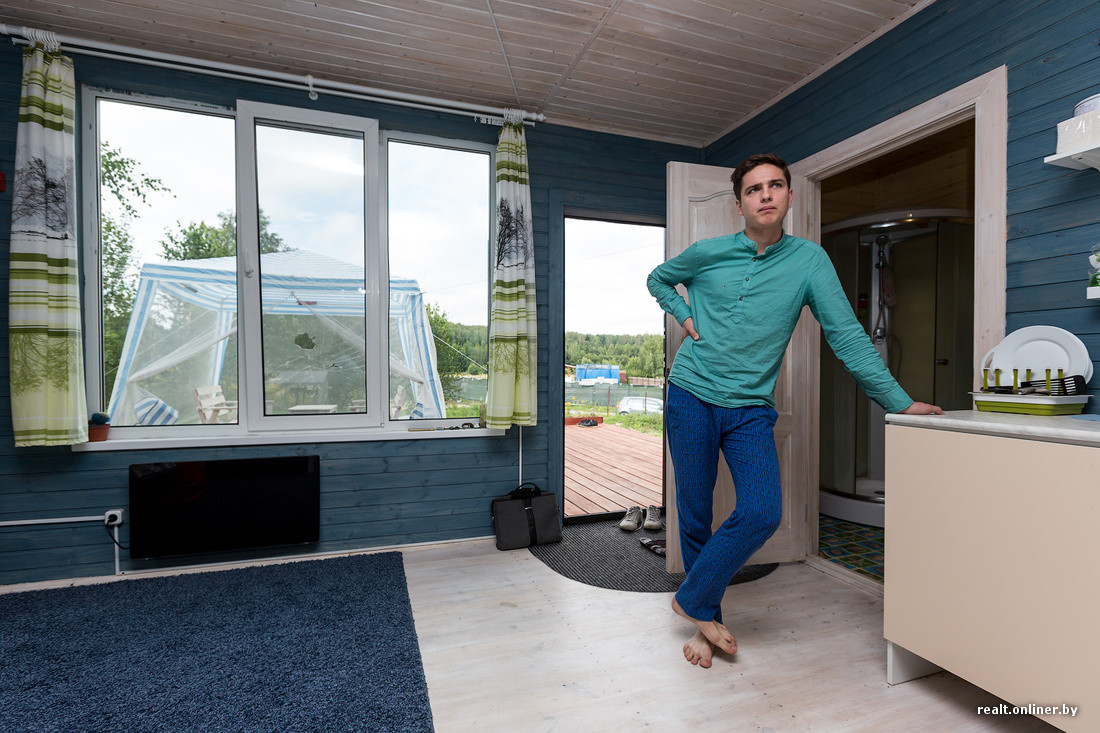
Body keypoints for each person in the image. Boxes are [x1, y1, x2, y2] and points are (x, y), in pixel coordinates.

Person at [647, 153, 943, 669]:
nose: (765, 195)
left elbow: (847, 336)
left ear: (789, 196)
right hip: (691, 395)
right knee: (694, 513)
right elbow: (658, 279)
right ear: (739, 203)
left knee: (762, 511)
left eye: (775, 185)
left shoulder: (810, 261)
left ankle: (691, 600)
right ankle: (704, 623)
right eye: (753, 189)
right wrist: (683, 312)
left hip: (750, 408)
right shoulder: (708, 252)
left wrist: (898, 401)